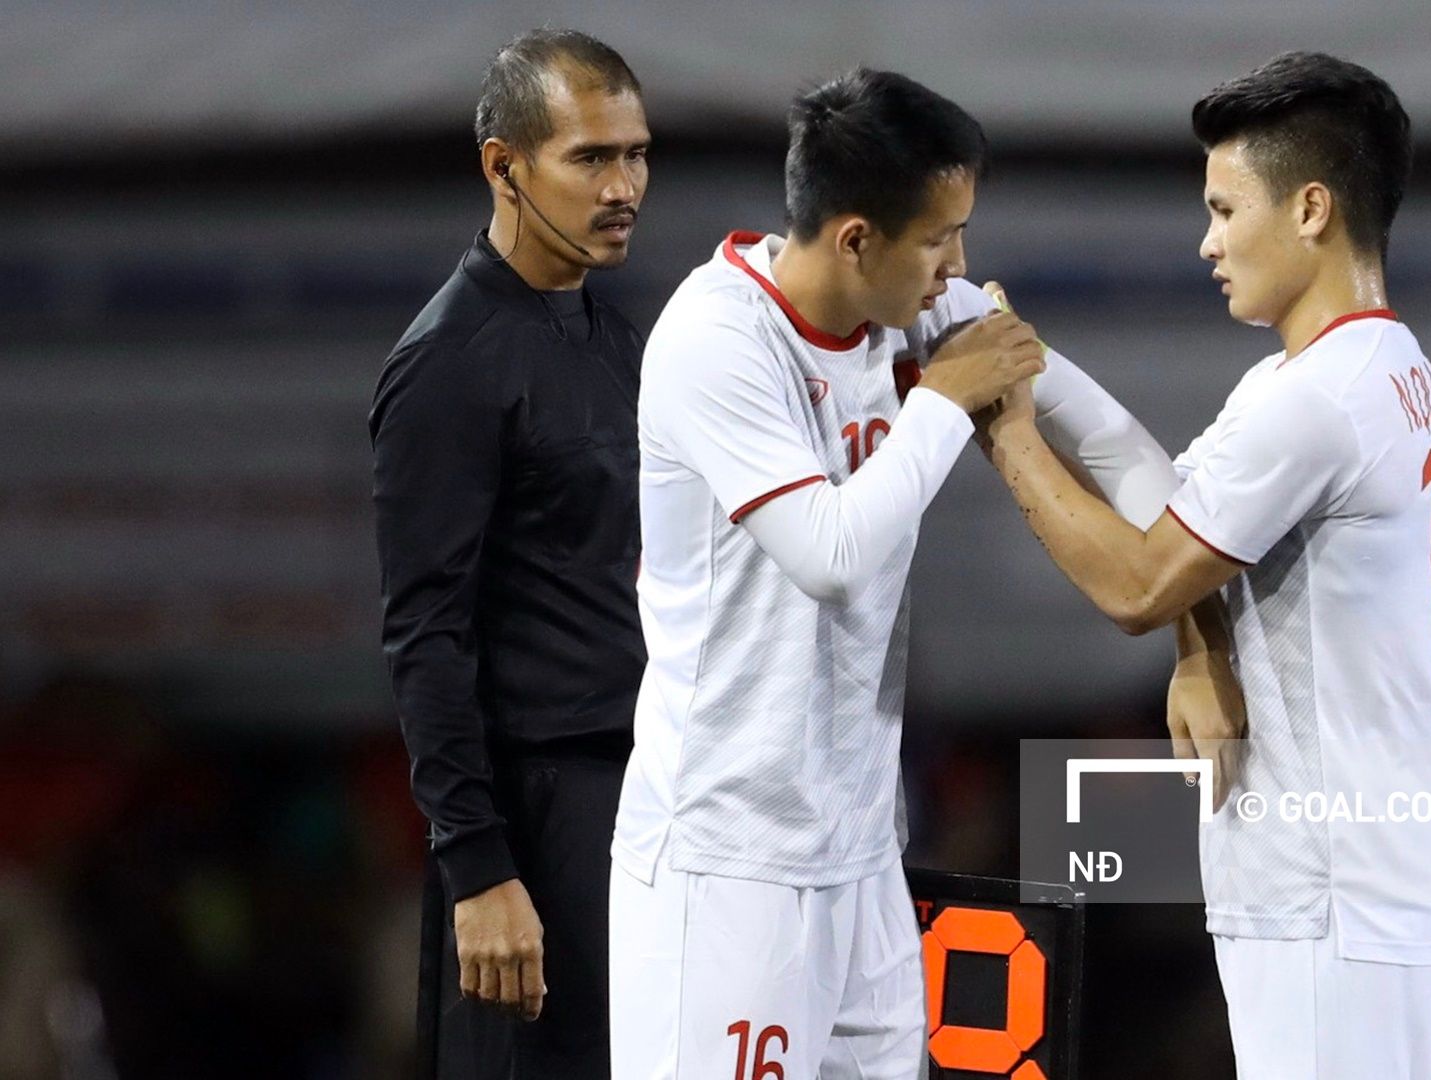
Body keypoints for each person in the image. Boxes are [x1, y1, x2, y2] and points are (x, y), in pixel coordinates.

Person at [606, 68, 1209, 1079]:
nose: (959, 266)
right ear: (854, 239)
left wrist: (1202, 616)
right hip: (727, 866)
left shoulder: (926, 312)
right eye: (939, 238)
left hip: (860, 853)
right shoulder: (714, 341)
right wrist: (944, 401)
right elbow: (831, 557)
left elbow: (1111, 441)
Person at [976, 52, 1431, 1078]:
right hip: (1351, 873)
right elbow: (1161, 492)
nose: (1207, 242)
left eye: (1224, 208)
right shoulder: (1366, 367)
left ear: (1312, 209)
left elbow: (1141, 583)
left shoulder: (1315, 402)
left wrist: (1003, 429)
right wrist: (1019, 353)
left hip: (1328, 883)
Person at [369, 28, 650, 1080]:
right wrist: (478, 866)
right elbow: (422, 636)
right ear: (504, 166)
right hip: (532, 822)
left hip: (638, 800)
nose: (624, 186)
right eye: (591, 158)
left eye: (636, 154)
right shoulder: (447, 362)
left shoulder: (617, 340)